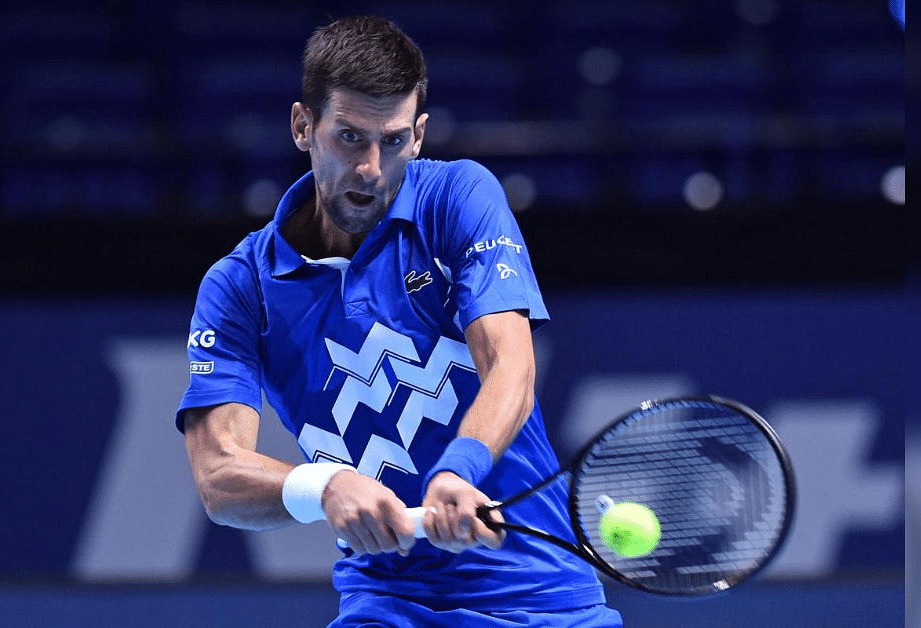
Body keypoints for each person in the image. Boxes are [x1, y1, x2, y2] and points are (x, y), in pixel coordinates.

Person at [176, 15, 622, 628]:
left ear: (418, 135)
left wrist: (459, 470)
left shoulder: (458, 198)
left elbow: (511, 366)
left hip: (543, 600)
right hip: (387, 608)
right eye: (350, 138)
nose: (370, 169)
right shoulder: (239, 286)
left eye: (391, 141)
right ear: (303, 127)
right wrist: (325, 486)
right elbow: (218, 475)